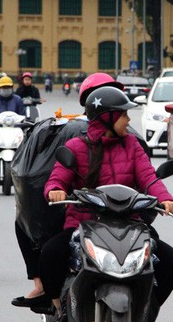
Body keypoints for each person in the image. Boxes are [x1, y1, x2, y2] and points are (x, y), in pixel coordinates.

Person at [19, 86, 173, 322]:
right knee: (49, 254)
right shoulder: (76, 147)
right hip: (83, 223)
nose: (129, 121)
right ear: (106, 117)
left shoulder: (132, 145)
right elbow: (57, 179)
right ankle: (60, 314)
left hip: (130, 223)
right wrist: (56, 191)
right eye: (123, 115)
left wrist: (165, 199)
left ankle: (146, 318)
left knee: (170, 261)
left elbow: (149, 178)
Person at [10, 73, 128, 304]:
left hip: (121, 215)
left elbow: (147, 177)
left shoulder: (129, 138)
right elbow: (49, 175)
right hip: (77, 211)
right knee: (30, 229)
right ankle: (46, 290)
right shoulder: (72, 138)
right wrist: (54, 190)